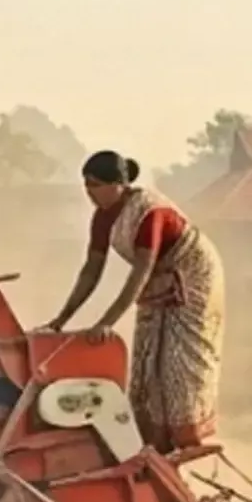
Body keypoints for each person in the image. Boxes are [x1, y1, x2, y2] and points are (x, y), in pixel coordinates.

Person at [46, 150, 225, 453]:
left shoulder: (148, 212)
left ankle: (185, 441)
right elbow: (92, 270)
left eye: (96, 185)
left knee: (177, 363)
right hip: (159, 277)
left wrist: (106, 323)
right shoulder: (103, 218)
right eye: (86, 185)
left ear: (119, 184)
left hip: (192, 275)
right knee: (146, 360)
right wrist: (60, 320)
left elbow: (140, 273)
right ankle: (150, 445)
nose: (90, 192)